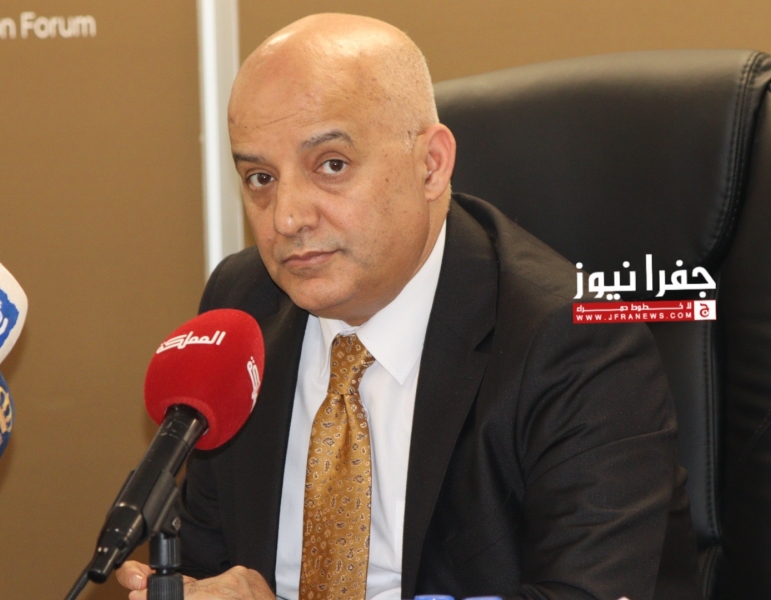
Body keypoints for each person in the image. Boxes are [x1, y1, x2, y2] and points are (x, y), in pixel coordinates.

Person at [118, 13, 702, 600]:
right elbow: (208, 560)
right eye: (260, 178)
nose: (287, 217)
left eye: (332, 165)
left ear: (431, 164)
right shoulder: (242, 309)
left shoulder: (577, 343)